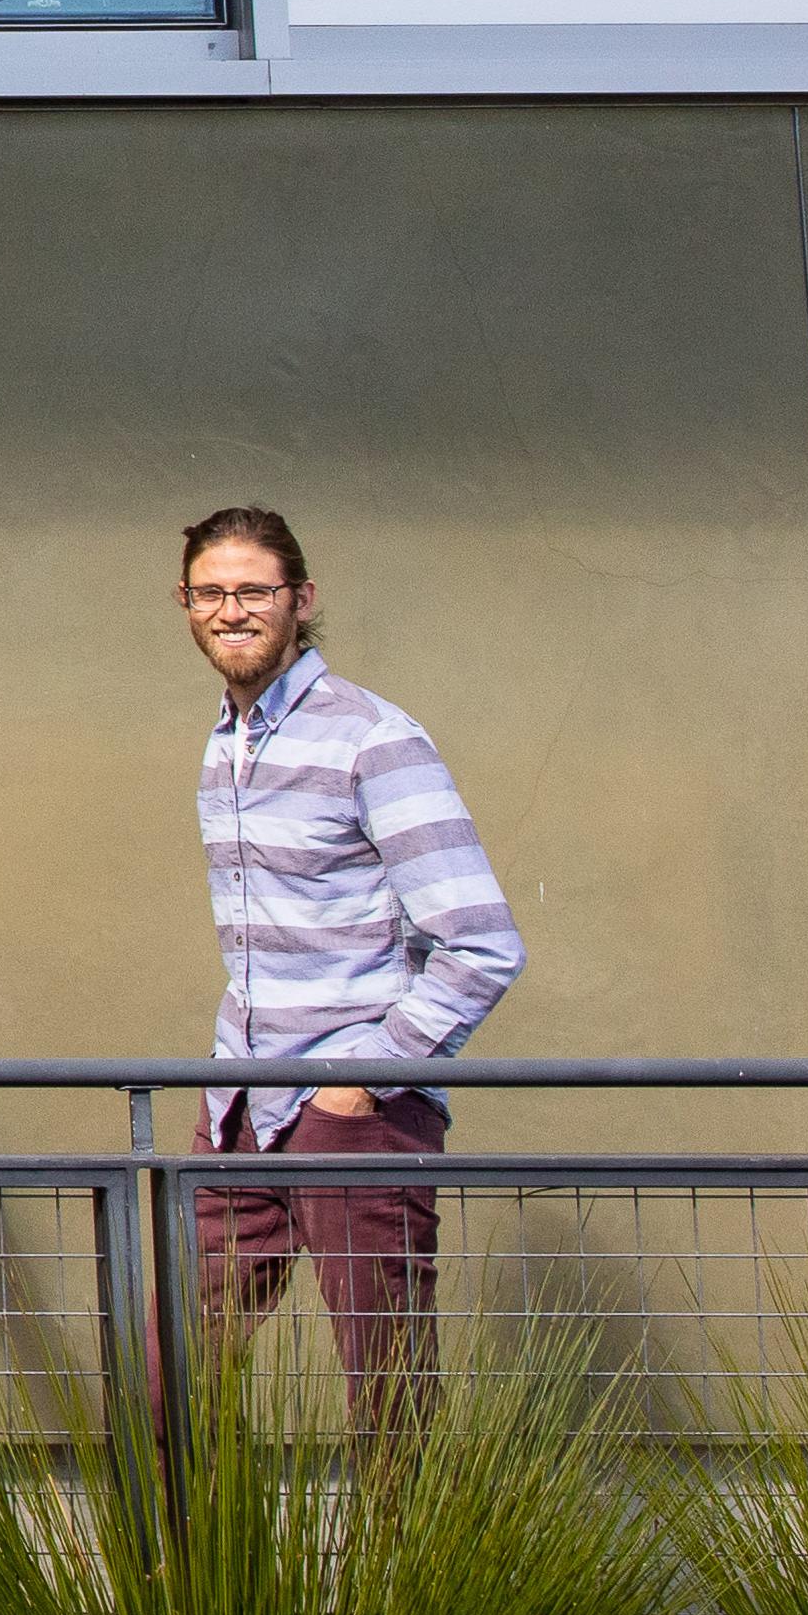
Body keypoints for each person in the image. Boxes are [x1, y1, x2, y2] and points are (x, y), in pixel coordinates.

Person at [180, 505, 521, 1430]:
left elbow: (481, 942)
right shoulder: (227, 748)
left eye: (253, 590)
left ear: (300, 600)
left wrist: (357, 1084)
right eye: (210, 592)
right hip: (240, 1106)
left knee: (388, 1389)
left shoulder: (371, 736)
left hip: (351, 1115)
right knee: (173, 1370)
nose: (231, 609)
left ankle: (401, 1579)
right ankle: (184, 1574)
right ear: (183, 604)